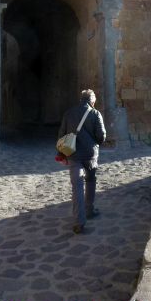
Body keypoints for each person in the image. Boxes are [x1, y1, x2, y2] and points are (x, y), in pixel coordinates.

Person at [57, 89, 106, 234]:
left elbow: (61, 135)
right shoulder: (95, 113)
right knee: (90, 180)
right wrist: (95, 142)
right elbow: (102, 136)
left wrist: (61, 154)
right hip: (90, 155)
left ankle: (79, 221)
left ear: (81, 100)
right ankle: (89, 209)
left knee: (77, 186)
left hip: (73, 154)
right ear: (92, 101)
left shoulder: (69, 113)